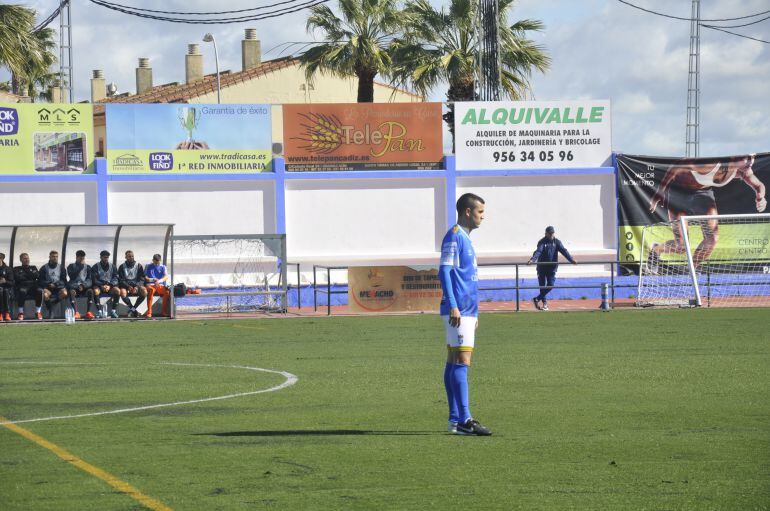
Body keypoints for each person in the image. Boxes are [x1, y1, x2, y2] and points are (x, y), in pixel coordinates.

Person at [648, 154, 766, 269]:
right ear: (734, 156)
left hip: (702, 194)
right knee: (681, 246)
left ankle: (690, 271)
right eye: (747, 157)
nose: (751, 161)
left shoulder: (744, 169)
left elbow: (759, 185)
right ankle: (656, 250)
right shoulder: (711, 164)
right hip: (678, 192)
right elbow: (677, 166)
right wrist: (659, 193)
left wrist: (761, 197)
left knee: (712, 239)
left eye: (753, 157)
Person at [439, 192, 491, 436]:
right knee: (462, 361)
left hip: (467, 311)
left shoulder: (467, 239)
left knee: (453, 361)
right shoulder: (455, 235)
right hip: (458, 309)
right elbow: (444, 271)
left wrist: (475, 312)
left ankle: (454, 420)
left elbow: (470, 279)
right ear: (468, 212)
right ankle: (465, 419)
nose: (483, 217)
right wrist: (453, 305)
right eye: (480, 212)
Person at [528, 226, 577, 311]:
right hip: (542, 267)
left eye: (552, 233)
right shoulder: (542, 242)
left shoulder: (557, 242)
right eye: (549, 233)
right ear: (546, 233)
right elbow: (538, 251)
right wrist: (532, 259)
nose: (551, 235)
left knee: (550, 285)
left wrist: (571, 260)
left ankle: (536, 299)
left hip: (552, 268)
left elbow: (564, 251)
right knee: (542, 286)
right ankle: (545, 304)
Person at [13, 253, 44, 320]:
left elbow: (37, 276)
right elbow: (18, 278)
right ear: (21, 260)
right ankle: (21, 313)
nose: (27, 260)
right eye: (25, 258)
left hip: (33, 286)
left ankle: (38, 312)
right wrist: (31, 274)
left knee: (40, 290)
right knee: (22, 291)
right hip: (23, 286)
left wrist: (25, 275)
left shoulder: (33, 267)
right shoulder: (16, 269)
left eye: (27, 258)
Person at [66, 250, 95, 320]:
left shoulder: (88, 267)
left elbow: (89, 280)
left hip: (84, 288)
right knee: (71, 292)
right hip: (75, 287)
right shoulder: (70, 266)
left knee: (90, 291)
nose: (82, 260)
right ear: (76, 257)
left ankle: (88, 312)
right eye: (80, 258)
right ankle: (76, 312)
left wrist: (83, 285)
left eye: (83, 258)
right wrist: (79, 267)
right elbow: (72, 277)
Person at [39, 250, 68, 319]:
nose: (55, 258)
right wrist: (49, 284)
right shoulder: (44, 268)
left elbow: (64, 280)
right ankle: (51, 311)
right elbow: (40, 280)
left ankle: (51, 304)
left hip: (58, 287)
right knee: (45, 295)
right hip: (48, 288)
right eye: (53, 256)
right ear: (49, 257)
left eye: (56, 257)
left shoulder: (61, 268)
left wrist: (56, 284)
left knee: (65, 293)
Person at [91, 250, 120, 318]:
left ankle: (113, 311)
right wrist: (101, 285)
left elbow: (116, 278)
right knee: (95, 291)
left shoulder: (113, 266)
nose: (106, 259)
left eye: (107, 257)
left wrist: (110, 285)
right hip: (100, 286)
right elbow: (94, 279)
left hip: (109, 287)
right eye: (104, 257)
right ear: (101, 257)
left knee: (118, 291)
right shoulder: (95, 266)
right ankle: (99, 312)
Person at [118, 250, 147, 318]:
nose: (131, 257)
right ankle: (134, 311)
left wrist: (136, 287)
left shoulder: (139, 266)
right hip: (126, 286)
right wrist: (128, 287)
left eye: (132, 256)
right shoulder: (122, 266)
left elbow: (142, 279)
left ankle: (132, 309)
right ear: (126, 257)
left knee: (144, 291)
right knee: (122, 292)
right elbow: (121, 280)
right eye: (129, 256)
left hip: (136, 286)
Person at [143, 253, 170, 318]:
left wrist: (159, 281)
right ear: (153, 260)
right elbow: (145, 277)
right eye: (156, 262)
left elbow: (166, 276)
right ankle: (149, 312)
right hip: (151, 284)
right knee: (150, 291)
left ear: (160, 260)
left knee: (167, 292)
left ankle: (163, 311)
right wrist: (153, 280)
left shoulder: (163, 267)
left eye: (158, 261)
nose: (157, 263)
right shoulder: (148, 266)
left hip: (160, 284)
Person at [0, 253, 14, 322]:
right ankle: (0, 313)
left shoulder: (8, 269)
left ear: (2, 259)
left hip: (7, 289)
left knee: (5, 291)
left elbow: (12, 283)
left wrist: (5, 281)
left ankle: (7, 313)